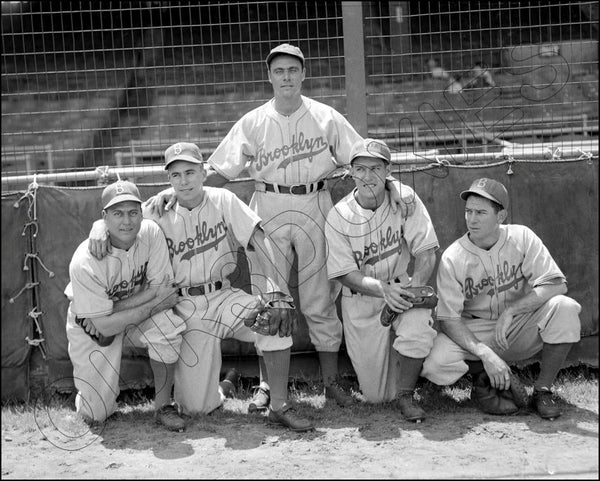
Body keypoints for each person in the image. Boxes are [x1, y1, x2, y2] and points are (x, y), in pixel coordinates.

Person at [147, 43, 415, 410]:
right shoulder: (253, 121)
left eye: (292, 70)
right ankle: (266, 385)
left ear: (303, 74)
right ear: (269, 76)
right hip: (268, 205)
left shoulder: (326, 117)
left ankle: (331, 381)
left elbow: (364, 158)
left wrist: (393, 184)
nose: (286, 76)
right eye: (279, 71)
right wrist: (173, 191)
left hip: (315, 202)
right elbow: (217, 171)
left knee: (320, 299)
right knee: (266, 297)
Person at [89, 142, 314, 432]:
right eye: (176, 175)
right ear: (169, 180)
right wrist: (98, 226)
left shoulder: (223, 199)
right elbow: (121, 218)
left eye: (190, 172)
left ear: (204, 172)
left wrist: (277, 292)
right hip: (183, 307)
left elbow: (260, 239)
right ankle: (225, 384)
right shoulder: (157, 209)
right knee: (197, 408)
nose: (183, 181)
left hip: (223, 297)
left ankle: (279, 406)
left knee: (272, 318)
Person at [421, 177, 582, 419]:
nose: (472, 219)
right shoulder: (453, 257)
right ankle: (483, 375)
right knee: (434, 363)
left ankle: (542, 390)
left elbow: (557, 284)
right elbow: (449, 320)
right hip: (477, 328)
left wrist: (512, 311)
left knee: (565, 308)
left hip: (520, 324)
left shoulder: (522, 238)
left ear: (501, 216)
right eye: (469, 211)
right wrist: (485, 353)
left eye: (481, 213)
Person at [324, 138, 439, 422]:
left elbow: (426, 252)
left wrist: (412, 293)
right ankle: (407, 375)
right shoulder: (339, 216)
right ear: (350, 172)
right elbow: (344, 274)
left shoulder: (405, 198)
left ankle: (407, 392)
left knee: (416, 324)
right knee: (376, 396)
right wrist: (382, 291)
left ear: (388, 171)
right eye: (360, 168)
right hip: (362, 299)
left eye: (376, 168)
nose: (367, 176)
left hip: (402, 287)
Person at [65, 180, 187, 431]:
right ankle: (87, 393)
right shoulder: (84, 261)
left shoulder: (151, 233)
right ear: (104, 217)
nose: (127, 221)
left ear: (141, 213)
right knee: (96, 414)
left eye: (133, 212)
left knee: (168, 325)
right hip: (91, 324)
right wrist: (154, 303)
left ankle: (164, 405)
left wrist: (114, 306)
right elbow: (106, 326)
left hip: (111, 315)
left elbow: (159, 289)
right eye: (117, 213)